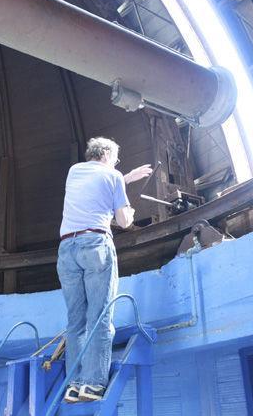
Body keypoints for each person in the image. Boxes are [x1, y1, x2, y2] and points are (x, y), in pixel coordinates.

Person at [57, 137, 152, 403]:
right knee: (100, 317)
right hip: (96, 245)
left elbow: (99, 184)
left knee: (76, 322)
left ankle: (74, 385)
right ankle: (93, 384)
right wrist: (129, 211)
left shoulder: (74, 171)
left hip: (66, 250)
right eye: (116, 160)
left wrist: (125, 177)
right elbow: (123, 222)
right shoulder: (113, 176)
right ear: (109, 155)